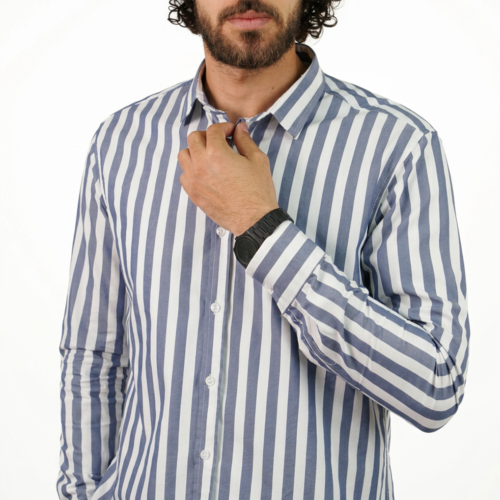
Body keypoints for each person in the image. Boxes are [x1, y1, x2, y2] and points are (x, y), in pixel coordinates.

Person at [56, 1, 470, 499]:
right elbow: (93, 354)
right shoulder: (121, 142)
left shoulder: (399, 146)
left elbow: (436, 387)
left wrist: (261, 227)